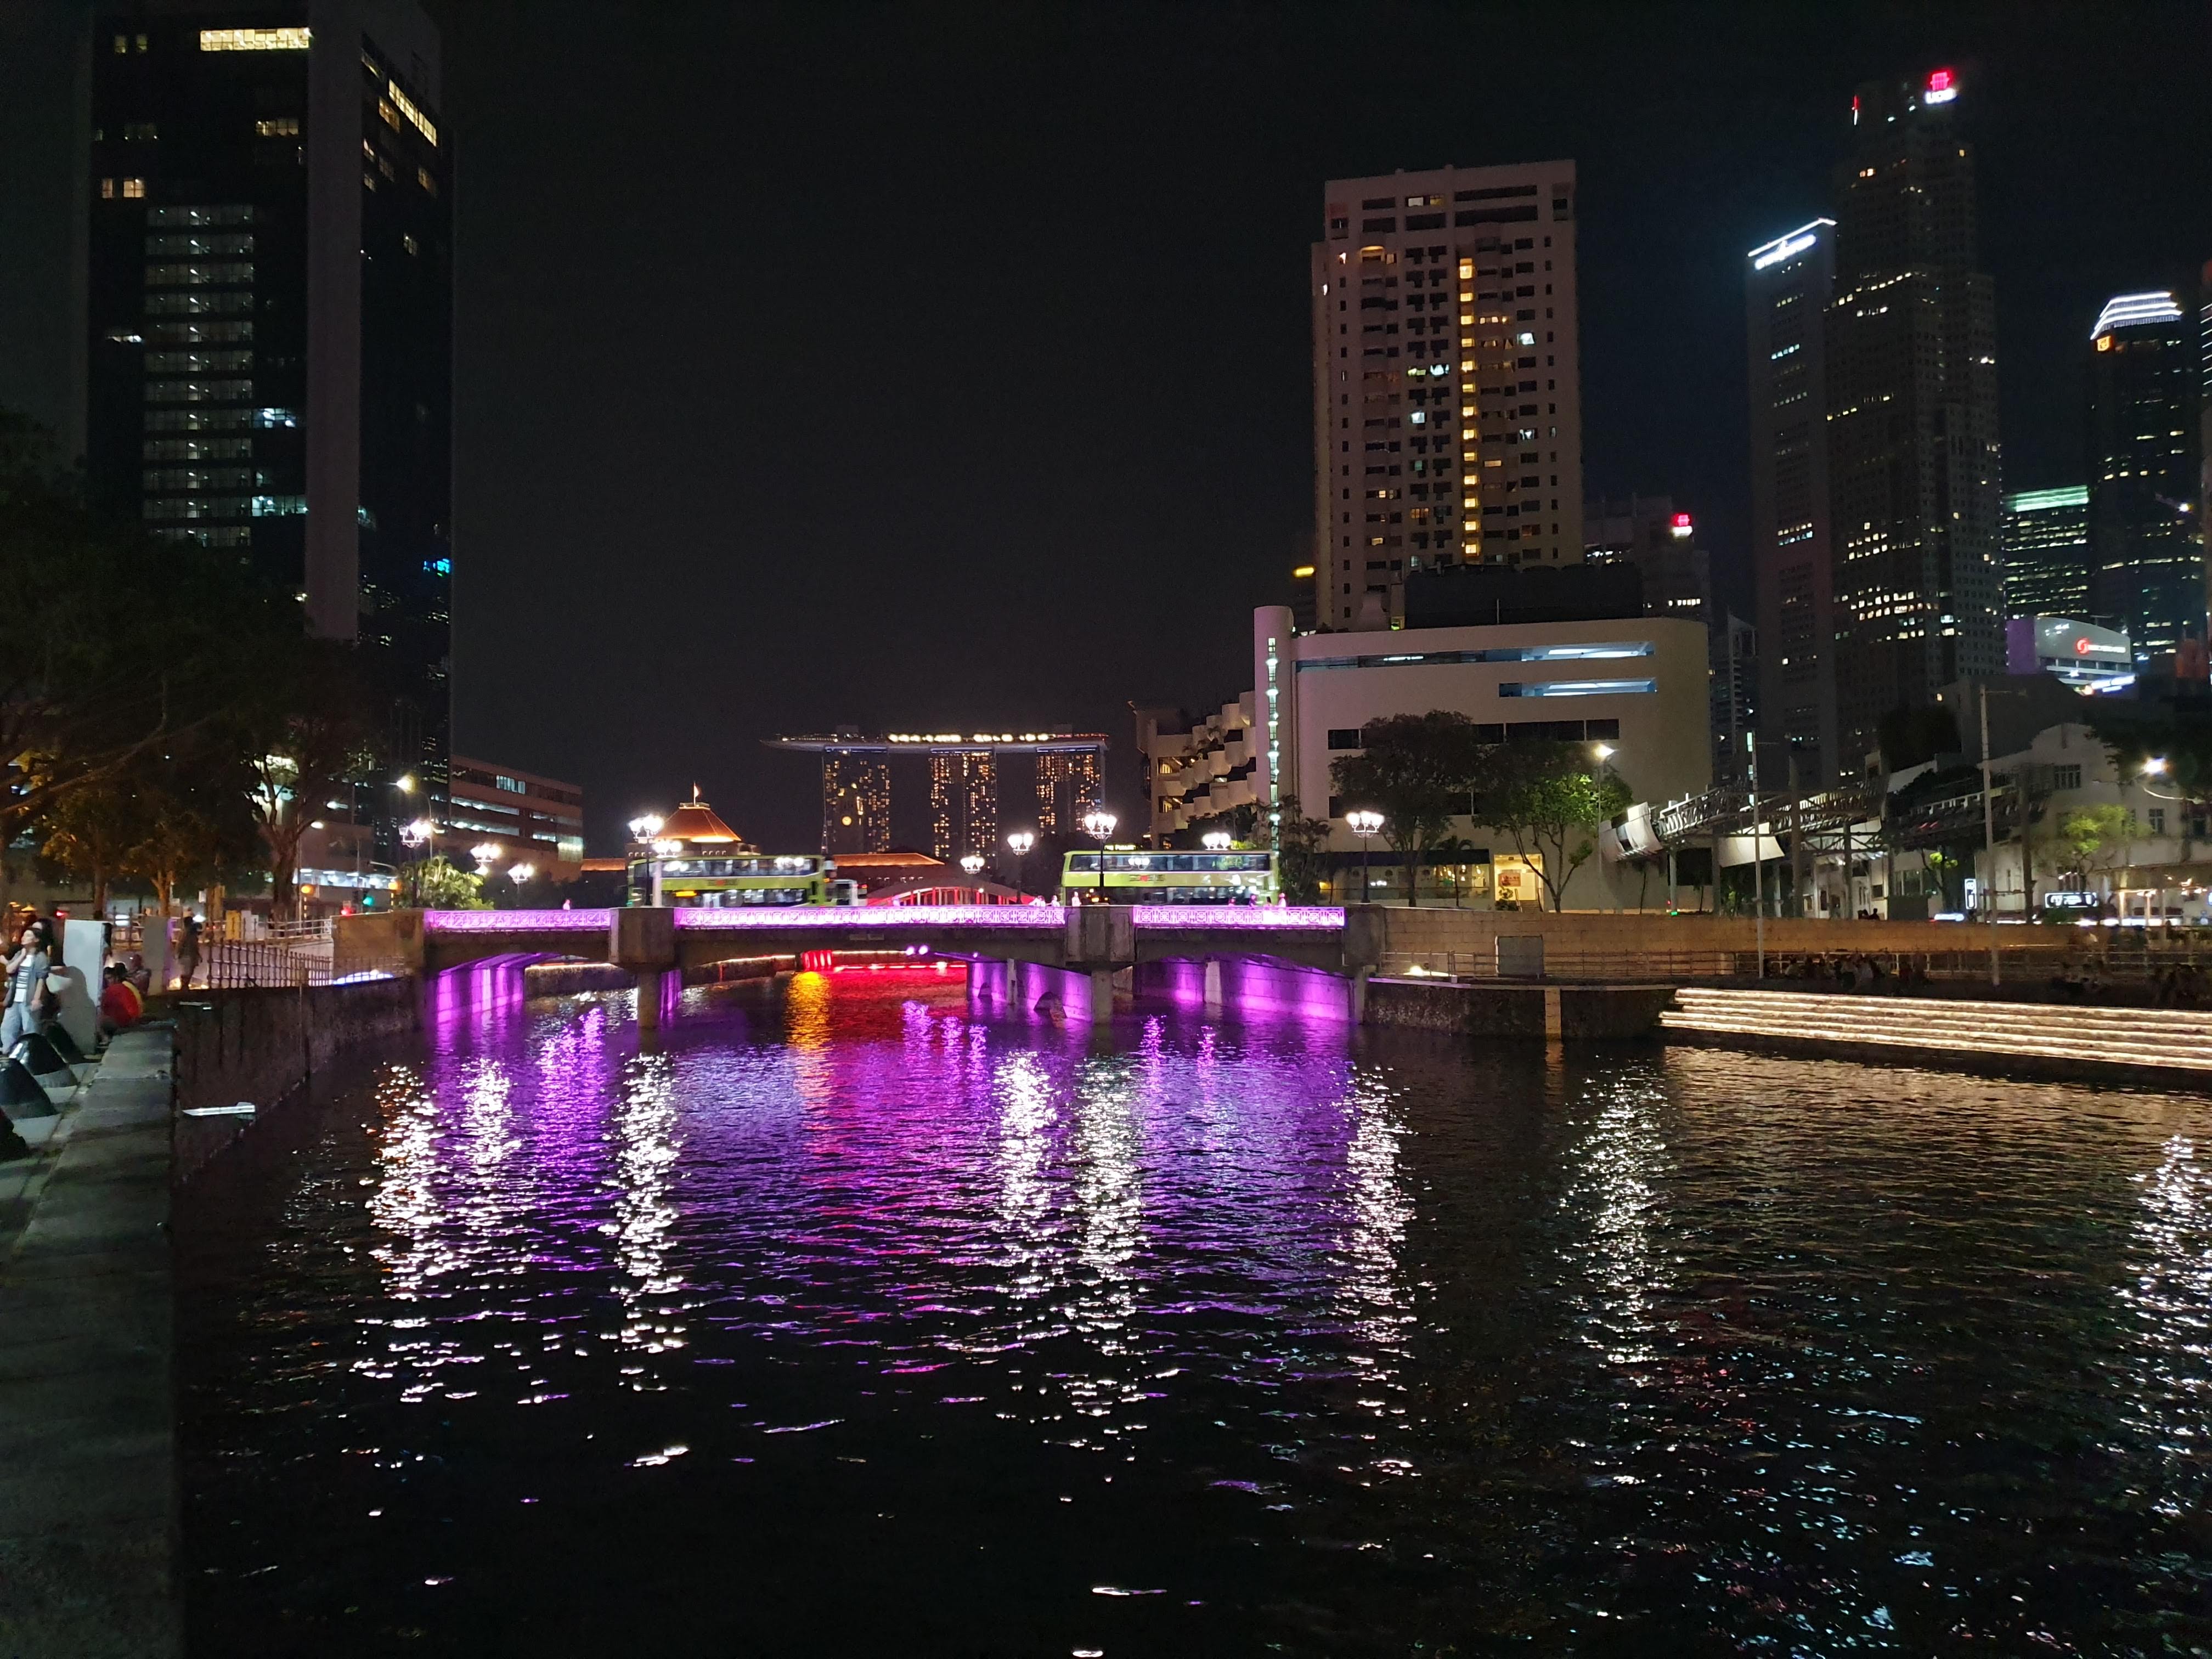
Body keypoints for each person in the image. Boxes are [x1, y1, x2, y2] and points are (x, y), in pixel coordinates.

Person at [2, 919, 55, 1051]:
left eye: (28, 936)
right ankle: (8, 1050)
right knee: (8, 1027)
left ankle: (30, 1052)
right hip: (15, 997)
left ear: (36, 940)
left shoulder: (41, 957)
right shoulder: (19, 954)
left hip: (28, 998)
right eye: (24, 935)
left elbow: (41, 979)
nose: (24, 938)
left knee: (30, 1027)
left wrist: (37, 999)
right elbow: (10, 969)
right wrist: (22, 956)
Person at [98, 964, 142, 1040]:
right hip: (132, 1020)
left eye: (110, 978)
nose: (108, 981)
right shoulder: (126, 986)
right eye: (106, 979)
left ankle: (104, 1039)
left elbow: (103, 1007)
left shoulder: (112, 990)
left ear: (116, 978)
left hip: (124, 1022)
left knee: (97, 1018)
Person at [175, 915, 203, 990]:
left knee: (186, 972)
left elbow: (181, 944)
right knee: (188, 973)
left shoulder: (184, 933)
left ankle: (184, 987)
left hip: (186, 955)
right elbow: (194, 945)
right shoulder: (190, 933)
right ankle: (185, 987)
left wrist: (178, 953)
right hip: (190, 955)